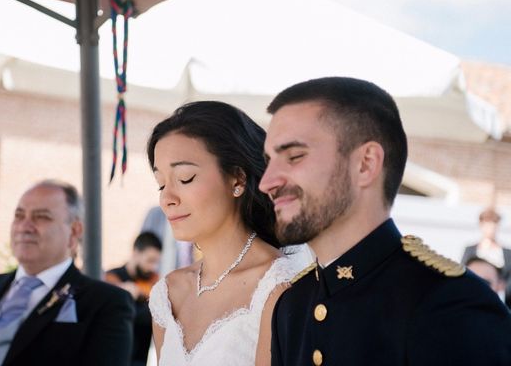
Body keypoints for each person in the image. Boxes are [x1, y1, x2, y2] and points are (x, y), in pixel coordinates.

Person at [259, 77, 511, 366]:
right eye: (268, 161)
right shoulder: (293, 305)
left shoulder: (452, 304)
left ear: (365, 164)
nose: (267, 182)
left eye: (294, 156)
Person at [146, 101, 312, 366]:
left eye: (185, 178)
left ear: (237, 179)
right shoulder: (168, 293)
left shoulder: (280, 285)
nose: (167, 198)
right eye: (161, 184)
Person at [0, 180, 134, 366]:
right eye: (19, 215)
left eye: (41, 217)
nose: (24, 226)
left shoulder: (105, 303)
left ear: (74, 231)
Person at [106, 232, 163, 366]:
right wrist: (123, 293)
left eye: (156, 262)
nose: (152, 267)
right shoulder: (112, 278)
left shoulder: (155, 283)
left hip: (140, 359)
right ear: (136, 253)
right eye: (150, 260)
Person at [462, 208, 511, 307]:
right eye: (487, 225)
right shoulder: (470, 250)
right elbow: (463, 272)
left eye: (493, 226)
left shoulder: (507, 253)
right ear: (481, 226)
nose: (490, 229)